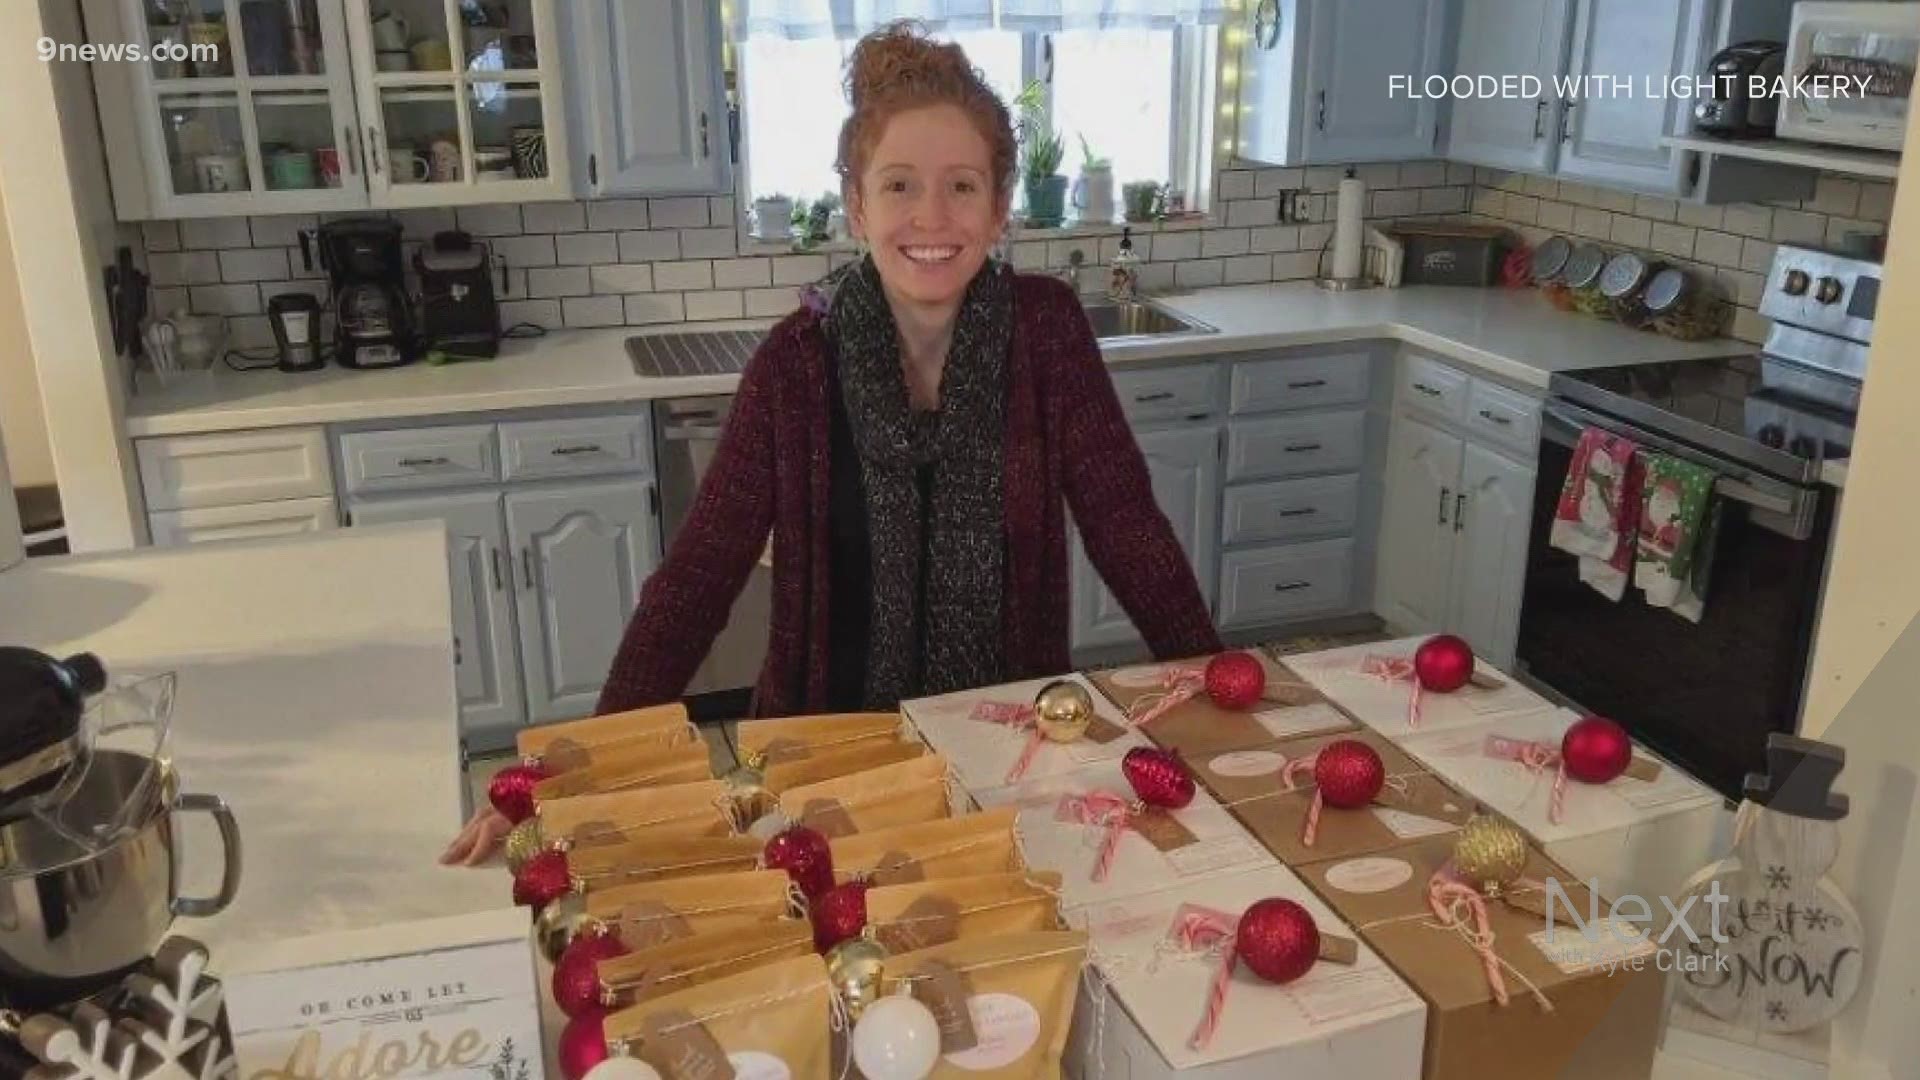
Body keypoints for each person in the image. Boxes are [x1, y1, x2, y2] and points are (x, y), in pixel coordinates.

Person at [442, 22, 1219, 865]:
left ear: (1000, 209)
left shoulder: (1048, 334)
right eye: (898, 186)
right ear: (856, 205)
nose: (931, 217)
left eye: (962, 186)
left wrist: (1219, 688)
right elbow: (698, 578)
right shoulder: (795, 369)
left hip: (1009, 749)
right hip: (826, 769)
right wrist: (564, 773)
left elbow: (1127, 528)